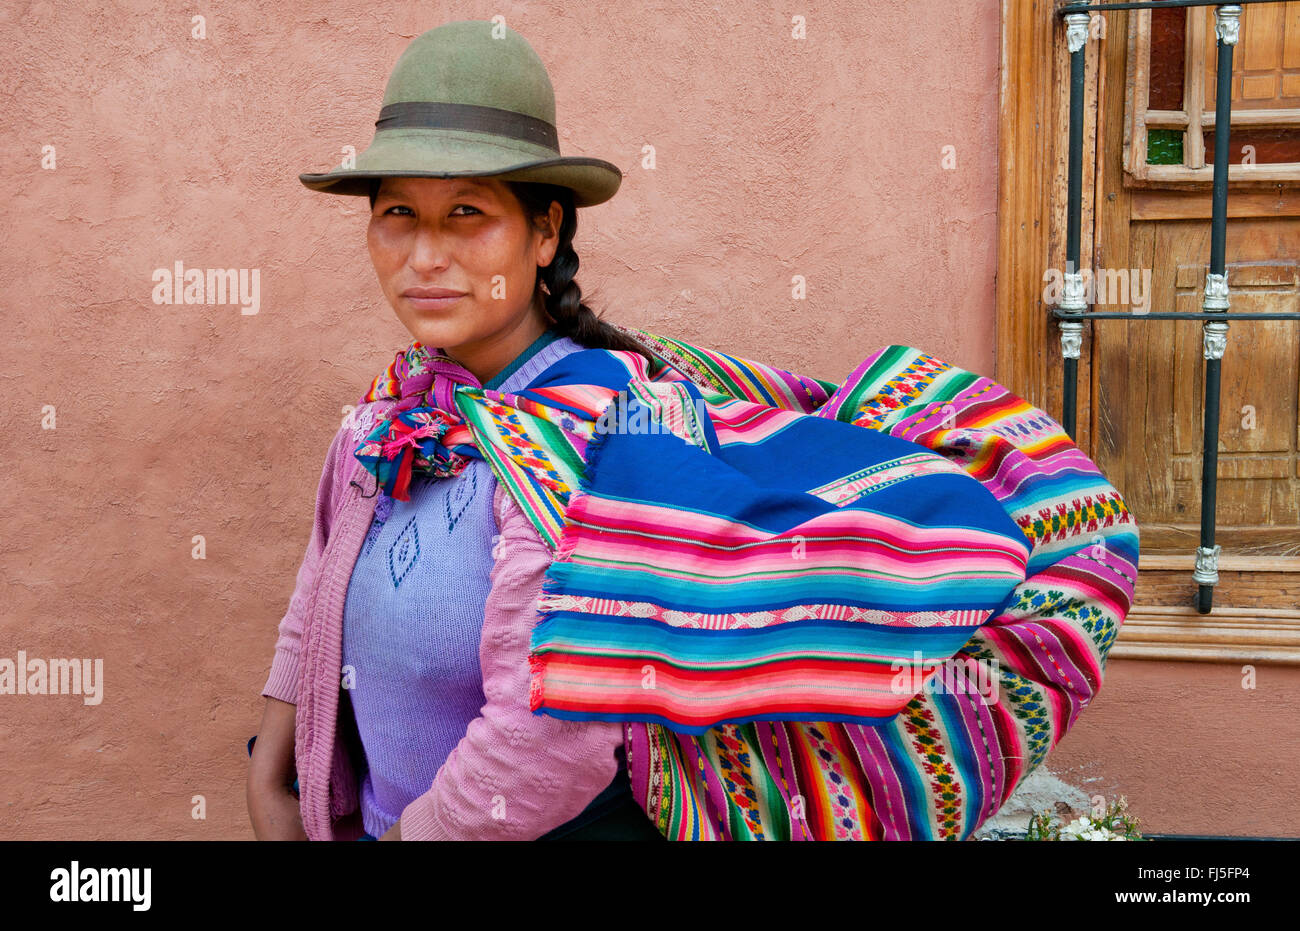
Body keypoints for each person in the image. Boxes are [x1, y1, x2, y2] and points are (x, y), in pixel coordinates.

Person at [247, 20, 1140, 842]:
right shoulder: (390, 411)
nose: (425, 255)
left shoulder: (594, 441)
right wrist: (272, 777)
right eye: (397, 213)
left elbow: (547, 735)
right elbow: (317, 594)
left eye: (467, 213)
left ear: (545, 232)